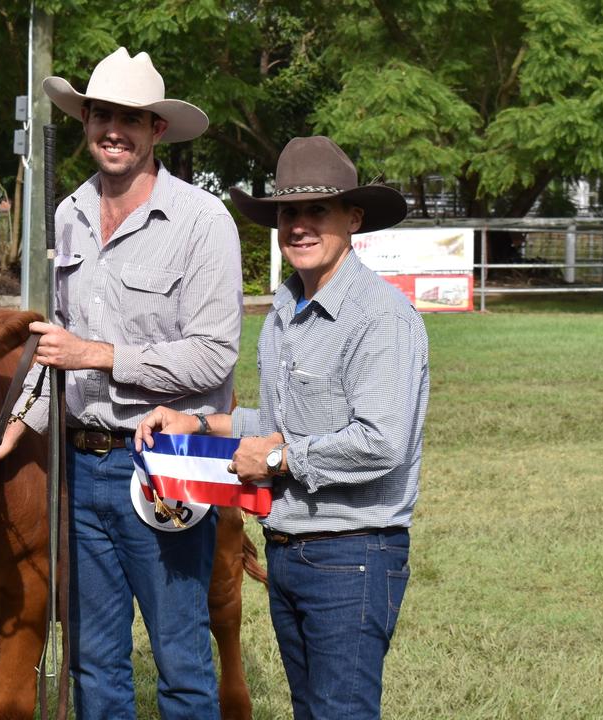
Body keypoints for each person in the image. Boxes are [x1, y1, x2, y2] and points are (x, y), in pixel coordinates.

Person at [0, 48, 243, 718]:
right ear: (85, 120)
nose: (113, 129)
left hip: (170, 461)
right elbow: (50, 346)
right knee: (94, 662)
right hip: (77, 466)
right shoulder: (63, 215)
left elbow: (213, 357)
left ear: (156, 128)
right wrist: (17, 424)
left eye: (130, 117)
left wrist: (99, 355)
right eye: (101, 114)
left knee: (181, 659)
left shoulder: (202, 221)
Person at [136, 135, 430, 720]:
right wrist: (197, 422)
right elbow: (278, 426)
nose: (298, 225)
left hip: (353, 554)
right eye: (288, 212)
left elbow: (380, 443)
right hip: (292, 552)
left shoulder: (381, 318)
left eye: (316, 210)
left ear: (354, 217)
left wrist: (274, 462)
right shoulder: (286, 311)